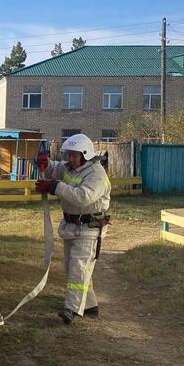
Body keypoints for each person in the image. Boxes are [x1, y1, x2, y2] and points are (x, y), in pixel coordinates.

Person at [35, 133, 111, 324]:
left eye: (73, 155)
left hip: (89, 228)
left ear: (85, 155)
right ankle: (90, 305)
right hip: (72, 226)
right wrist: (47, 163)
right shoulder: (71, 168)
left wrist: (55, 187)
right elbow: (56, 169)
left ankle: (71, 309)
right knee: (74, 269)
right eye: (68, 154)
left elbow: (83, 197)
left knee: (78, 268)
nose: (69, 159)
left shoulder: (96, 175)